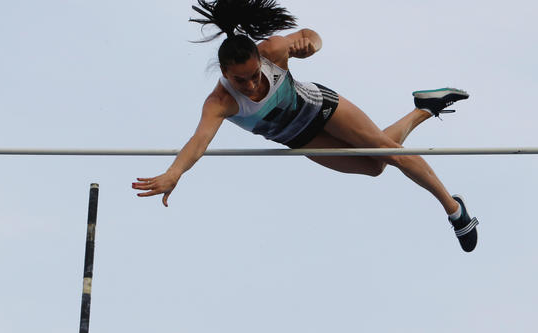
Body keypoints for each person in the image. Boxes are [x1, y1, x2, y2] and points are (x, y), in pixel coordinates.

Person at [132, 0, 479, 252]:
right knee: (375, 167)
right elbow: (198, 142)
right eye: (241, 81)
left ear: (258, 60)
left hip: (323, 108)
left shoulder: (271, 51)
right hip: (302, 140)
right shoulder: (219, 103)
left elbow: (311, 35)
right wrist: (176, 172)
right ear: (225, 74)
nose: (252, 85)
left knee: (392, 155)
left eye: (254, 76)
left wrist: (309, 44)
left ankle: (454, 210)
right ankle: (423, 109)